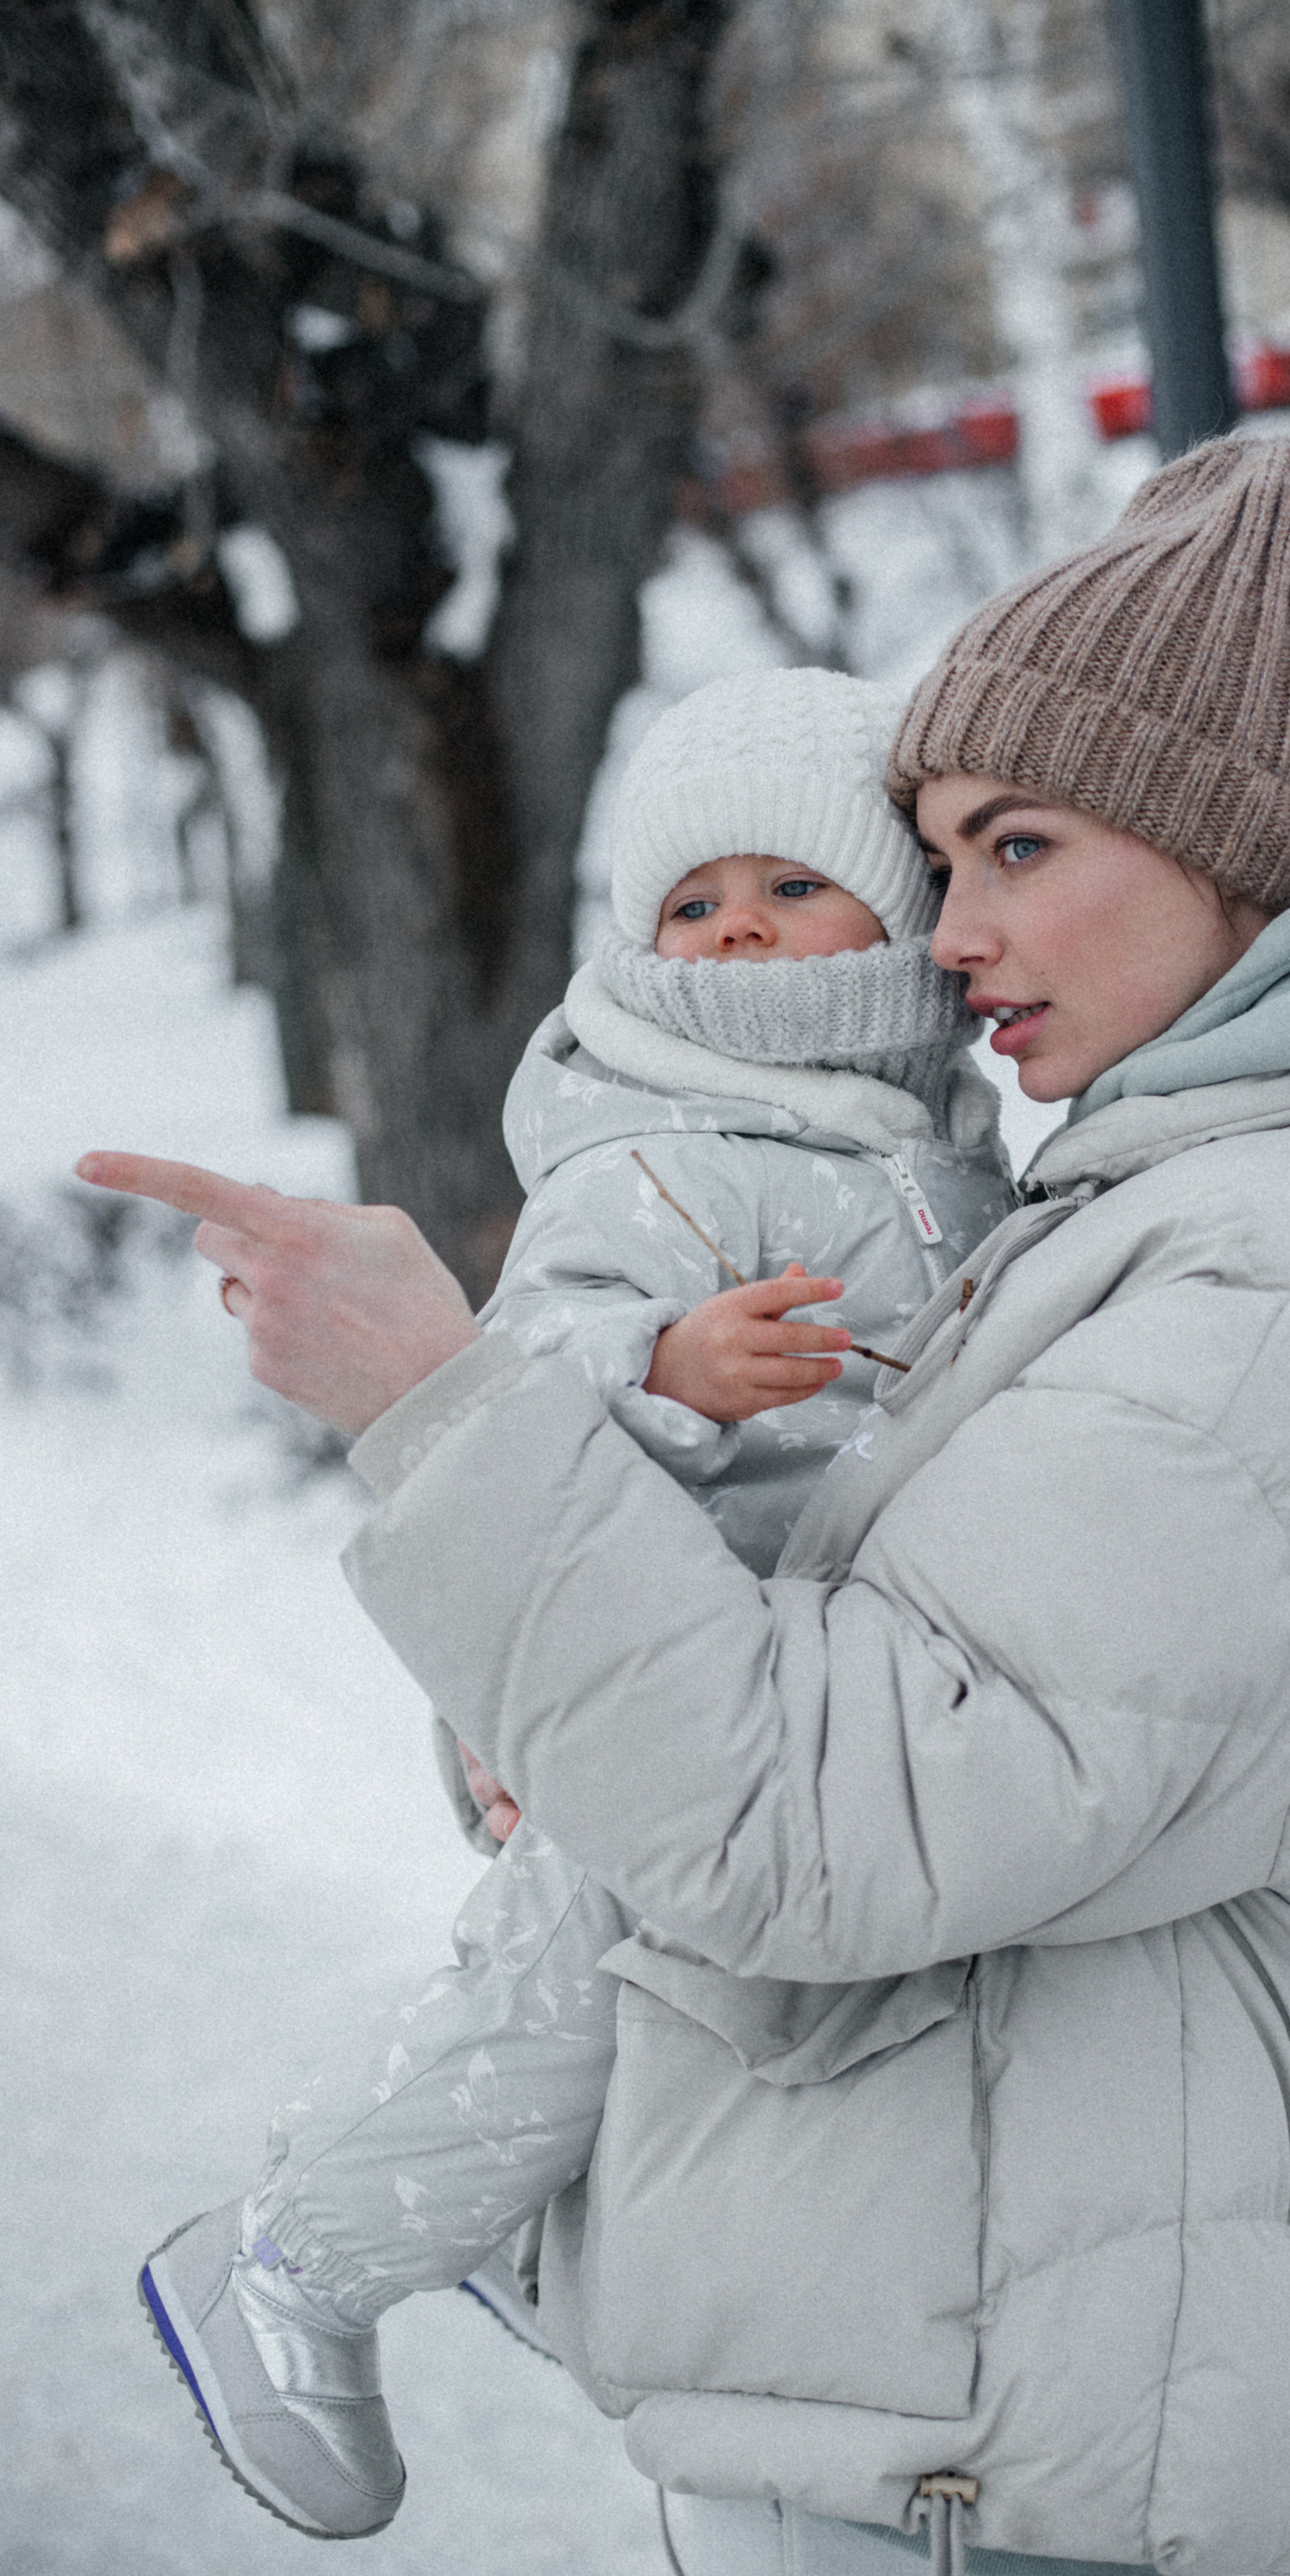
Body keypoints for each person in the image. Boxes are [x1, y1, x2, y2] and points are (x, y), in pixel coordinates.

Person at [84, 436, 1290, 2576]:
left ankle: (323, 2240)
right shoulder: (1163, 1197)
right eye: (935, 859)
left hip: (993, 2429)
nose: (957, 930)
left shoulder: (1275, 1258)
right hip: (956, 2359)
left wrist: (442, 1412)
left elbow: (820, 1822)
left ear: (1206, 841)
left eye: (1012, 847)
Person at [122, 666, 1014, 2543]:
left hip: (804, 1705)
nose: (740, 927)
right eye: (694, 902)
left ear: (904, 917)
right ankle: (292, 2261)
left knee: (711, 2032)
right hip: (650, 1676)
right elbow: (513, 1382)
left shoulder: (946, 1150)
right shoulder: (652, 1146)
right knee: (556, 2006)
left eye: (792, 884)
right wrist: (670, 1370)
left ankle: (555, 2252)